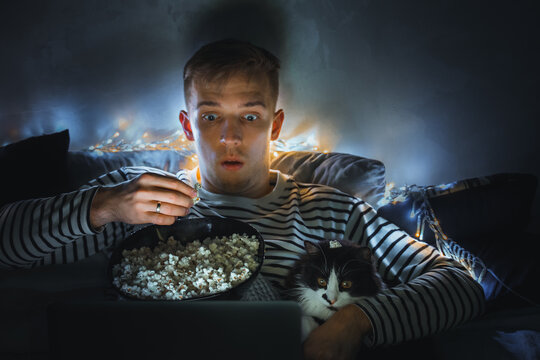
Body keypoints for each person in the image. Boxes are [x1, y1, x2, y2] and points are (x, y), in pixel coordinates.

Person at [0, 38, 485, 359]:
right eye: (211, 117)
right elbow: (8, 248)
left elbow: (460, 285)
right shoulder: (135, 194)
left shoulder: (331, 210)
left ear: (274, 125)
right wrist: (100, 206)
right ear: (188, 125)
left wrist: (357, 321)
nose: (229, 137)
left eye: (249, 117)